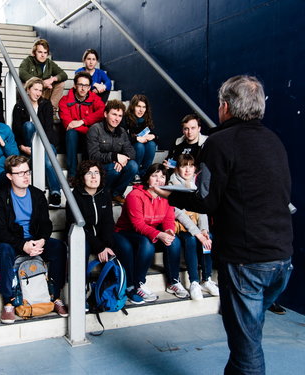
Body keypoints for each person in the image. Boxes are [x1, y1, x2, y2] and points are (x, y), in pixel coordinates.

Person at [155, 75, 294, 374]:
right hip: (281, 261)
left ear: (226, 107)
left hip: (247, 262)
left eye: (220, 104)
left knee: (248, 351)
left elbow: (206, 200)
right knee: (247, 338)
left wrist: (170, 196)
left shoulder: (218, 142)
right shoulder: (274, 140)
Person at [0, 155, 68, 324]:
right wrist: (23, 245)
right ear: (9, 176)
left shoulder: (37, 194)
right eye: (19, 173)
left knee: (59, 248)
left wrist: (42, 240)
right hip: (13, 241)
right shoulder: (0, 198)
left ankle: (55, 297)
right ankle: (8, 302)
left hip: (34, 239)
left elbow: (46, 223)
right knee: (3, 249)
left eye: (27, 172)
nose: (26, 176)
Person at [113, 163, 187, 304]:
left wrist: (169, 231)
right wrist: (159, 235)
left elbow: (168, 218)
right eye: (154, 176)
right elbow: (138, 224)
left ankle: (173, 282)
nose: (159, 179)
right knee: (147, 244)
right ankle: (139, 283)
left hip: (149, 231)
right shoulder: (135, 195)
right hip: (126, 232)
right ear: (147, 179)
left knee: (175, 240)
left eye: (162, 176)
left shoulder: (166, 195)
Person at [169, 154, 219, 300]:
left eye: (190, 166)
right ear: (177, 168)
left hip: (196, 226)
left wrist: (204, 230)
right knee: (191, 240)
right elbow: (179, 214)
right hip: (181, 227)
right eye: (184, 166)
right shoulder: (172, 184)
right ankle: (194, 282)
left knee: (208, 237)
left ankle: (207, 279)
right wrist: (197, 233)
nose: (187, 170)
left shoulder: (197, 183)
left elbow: (202, 209)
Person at [12, 77, 62, 208]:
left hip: (46, 143)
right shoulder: (19, 106)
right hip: (27, 147)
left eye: (40, 90)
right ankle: (54, 191)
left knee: (47, 161)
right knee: (28, 125)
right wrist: (21, 147)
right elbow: (16, 130)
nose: (38, 93)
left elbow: (48, 129)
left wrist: (41, 148)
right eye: (35, 89)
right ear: (28, 89)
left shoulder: (46, 105)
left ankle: (55, 193)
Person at [86, 99, 138, 204]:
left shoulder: (122, 132)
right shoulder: (95, 129)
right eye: (114, 114)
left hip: (115, 164)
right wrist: (115, 157)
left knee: (133, 166)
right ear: (105, 114)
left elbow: (131, 152)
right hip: (98, 167)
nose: (117, 119)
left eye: (120, 116)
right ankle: (103, 193)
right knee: (114, 170)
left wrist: (121, 159)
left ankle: (116, 194)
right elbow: (93, 156)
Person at [66, 160, 115, 264]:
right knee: (83, 248)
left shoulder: (105, 194)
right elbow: (80, 228)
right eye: (89, 173)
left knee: (124, 246)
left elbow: (108, 222)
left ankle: (120, 279)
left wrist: (106, 245)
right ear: (82, 178)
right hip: (82, 237)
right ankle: (82, 280)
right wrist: (100, 247)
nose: (94, 176)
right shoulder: (74, 198)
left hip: (101, 236)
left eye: (96, 173)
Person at [59, 72, 105, 182]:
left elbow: (103, 112)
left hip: (88, 138)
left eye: (86, 85)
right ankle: (73, 174)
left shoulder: (95, 98)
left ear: (89, 87)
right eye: (80, 85)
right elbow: (68, 125)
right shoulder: (65, 100)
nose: (83, 88)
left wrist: (82, 121)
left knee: (92, 134)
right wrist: (86, 127)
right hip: (71, 139)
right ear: (75, 85)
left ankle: (86, 172)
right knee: (71, 133)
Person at [19, 39, 68, 110]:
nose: (42, 55)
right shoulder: (28, 61)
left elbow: (64, 75)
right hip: (33, 91)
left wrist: (52, 79)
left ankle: (51, 109)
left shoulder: (49, 63)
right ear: (34, 52)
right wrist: (41, 83)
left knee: (61, 83)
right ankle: (29, 109)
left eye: (45, 53)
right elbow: (22, 74)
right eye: (40, 52)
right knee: (24, 84)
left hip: (45, 91)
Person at [121, 94, 157, 178]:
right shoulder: (125, 118)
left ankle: (145, 172)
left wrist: (153, 136)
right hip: (128, 148)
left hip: (142, 145)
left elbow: (155, 133)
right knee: (139, 145)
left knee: (152, 144)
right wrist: (137, 138)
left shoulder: (146, 118)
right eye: (138, 106)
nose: (141, 110)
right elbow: (122, 138)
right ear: (133, 106)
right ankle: (135, 173)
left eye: (144, 107)